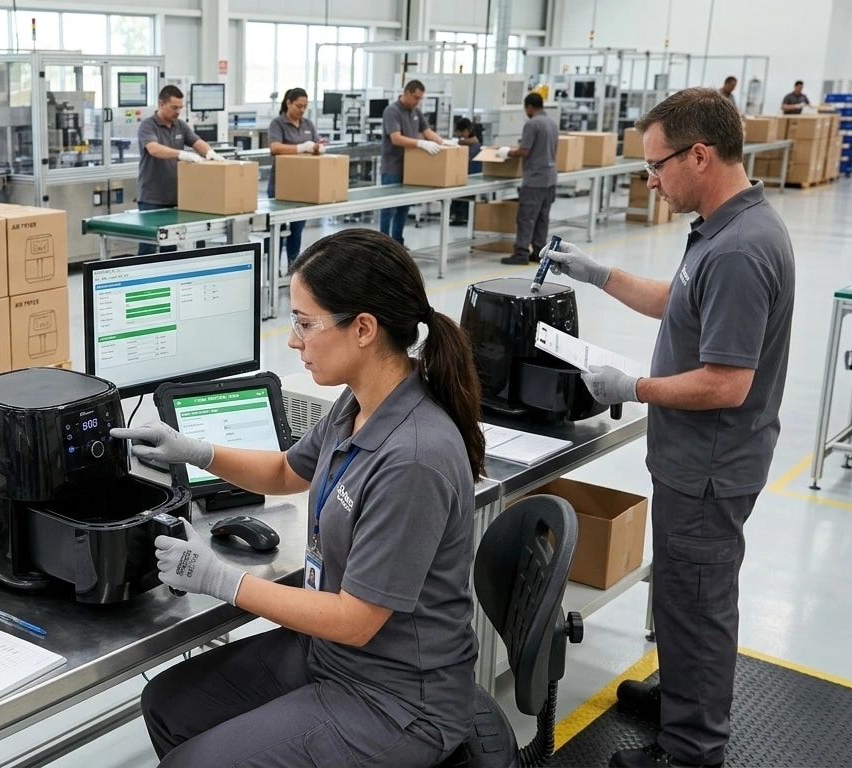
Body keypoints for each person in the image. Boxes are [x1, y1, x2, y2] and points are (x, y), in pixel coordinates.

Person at [113, 227, 485, 767]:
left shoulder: (414, 457)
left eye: (305, 323)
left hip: (397, 697)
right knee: (168, 703)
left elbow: (356, 619)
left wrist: (221, 579)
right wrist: (193, 450)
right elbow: (287, 470)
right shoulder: (358, 404)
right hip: (334, 657)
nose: (293, 340)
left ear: (363, 329)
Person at [545, 87, 795, 768]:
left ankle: (692, 749)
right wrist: (598, 275)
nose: (650, 180)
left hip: (710, 465)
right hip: (697, 459)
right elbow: (677, 302)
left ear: (701, 155)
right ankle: (683, 696)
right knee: (684, 597)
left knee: (698, 604)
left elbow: (727, 381)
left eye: (657, 166)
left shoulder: (741, 249)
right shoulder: (721, 227)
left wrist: (635, 387)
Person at [137, 84, 219, 255]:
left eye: (180, 108)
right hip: (152, 199)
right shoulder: (148, 126)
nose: (178, 111)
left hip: (177, 198)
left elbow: (197, 143)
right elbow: (154, 149)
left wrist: (210, 153)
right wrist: (181, 154)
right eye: (174, 107)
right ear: (161, 104)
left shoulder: (180, 126)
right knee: (148, 246)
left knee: (171, 246)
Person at [379, 80, 455, 246]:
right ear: (406, 93)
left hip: (410, 168)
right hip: (392, 167)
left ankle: (397, 243)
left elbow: (426, 131)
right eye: (415, 97)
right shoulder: (392, 111)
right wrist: (420, 143)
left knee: (403, 208)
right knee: (388, 208)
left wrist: (443, 142)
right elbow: (396, 138)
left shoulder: (416, 111)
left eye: (420, 98)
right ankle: (383, 245)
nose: (417, 101)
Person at [499, 93, 559, 265]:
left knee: (526, 217)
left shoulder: (532, 124)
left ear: (530, 107)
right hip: (550, 178)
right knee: (542, 217)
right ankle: (539, 252)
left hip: (534, 180)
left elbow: (524, 151)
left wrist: (507, 152)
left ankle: (521, 253)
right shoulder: (552, 123)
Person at [268, 87, 324, 268]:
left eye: (305, 107)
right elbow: (275, 147)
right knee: (276, 230)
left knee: (296, 231)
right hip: (280, 186)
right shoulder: (278, 123)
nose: (302, 110)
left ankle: (293, 270)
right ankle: (273, 271)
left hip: (302, 187)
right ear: (288, 103)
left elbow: (315, 144)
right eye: (298, 106)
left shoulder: (308, 124)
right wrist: (301, 147)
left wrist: (317, 147)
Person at [449, 116, 483, 225]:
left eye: (462, 132)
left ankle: (461, 216)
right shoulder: (466, 143)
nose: (460, 134)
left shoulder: (474, 146)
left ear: (468, 130)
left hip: (471, 176)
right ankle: (458, 215)